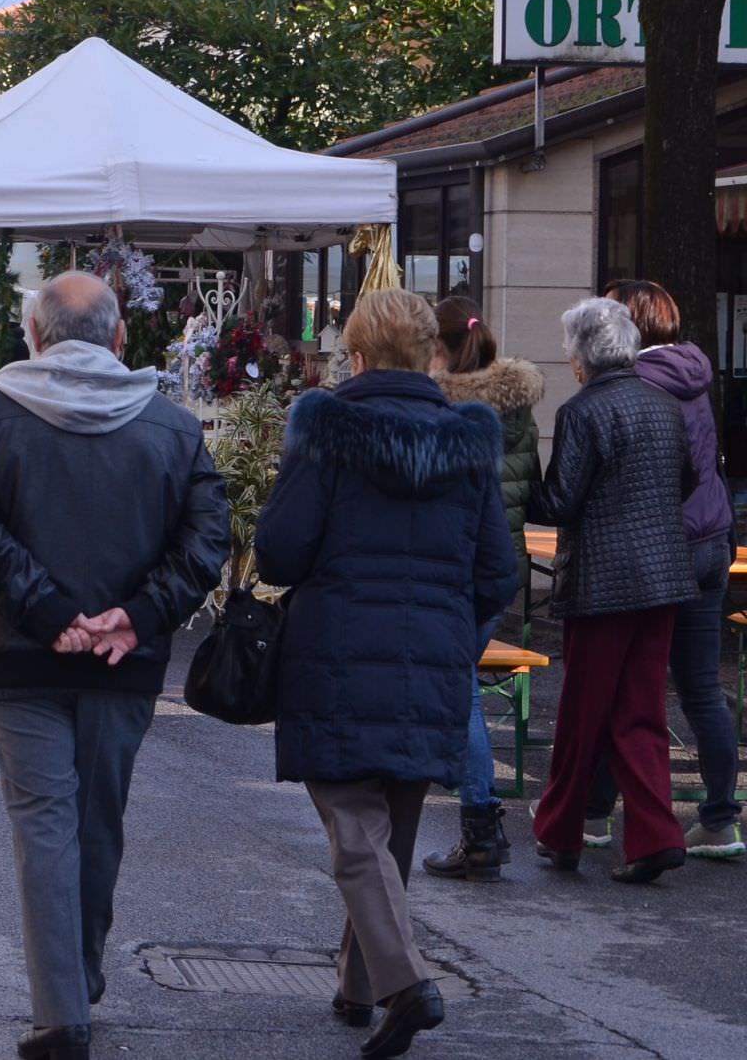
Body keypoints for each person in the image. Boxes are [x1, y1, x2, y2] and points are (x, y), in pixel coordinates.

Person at [0, 272, 228, 1060]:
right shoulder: (172, 426)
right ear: (118, 337)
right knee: (98, 822)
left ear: (33, 335)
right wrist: (133, 617)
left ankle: (63, 1007)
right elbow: (206, 539)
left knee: (45, 824)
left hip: (21, 649)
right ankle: (76, 980)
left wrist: (48, 610)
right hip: (121, 656)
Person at [256, 289, 515, 1058]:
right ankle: (357, 985)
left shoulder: (326, 426)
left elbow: (280, 552)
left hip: (334, 653)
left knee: (354, 829)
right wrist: (454, 638)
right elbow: (497, 569)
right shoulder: (469, 438)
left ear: (359, 357)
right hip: (433, 656)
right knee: (389, 828)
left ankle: (404, 983)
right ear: (427, 354)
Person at [528, 297, 698, 885]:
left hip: (603, 580)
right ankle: (655, 835)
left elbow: (560, 502)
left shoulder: (583, 412)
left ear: (582, 358)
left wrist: (522, 482)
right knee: (641, 712)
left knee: (582, 712)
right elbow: (688, 479)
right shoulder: (663, 404)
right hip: (662, 577)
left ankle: (560, 831)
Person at [580, 282, 742, 858]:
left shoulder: (635, 384)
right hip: (712, 539)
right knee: (701, 688)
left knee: (620, 681)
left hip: (656, 548)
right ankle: (721, 818)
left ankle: (594, 814)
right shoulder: (694, 373)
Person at [420, 297, 544, 882]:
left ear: (438, 348)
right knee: (457, 682)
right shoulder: (519, 408)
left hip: (457, 569)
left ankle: (480, 821)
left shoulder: (445, 410)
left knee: (460, 688)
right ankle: (476, 816)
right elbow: (532, 490)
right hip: (505, 569)